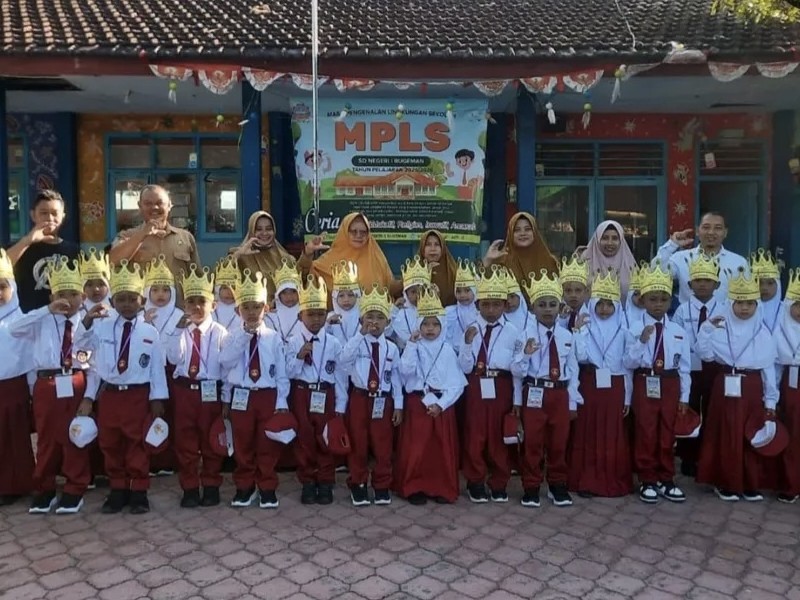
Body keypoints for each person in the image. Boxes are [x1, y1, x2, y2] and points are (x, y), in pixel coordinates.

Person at [77, 260, 168, 515]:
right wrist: (87, 320)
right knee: (110, 443)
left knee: (137, 443)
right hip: (110, 395)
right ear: (112, 300)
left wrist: (157, 399)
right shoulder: (101, 326)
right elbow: (81, 346)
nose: (126, 304)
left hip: (137, 396)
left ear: (142, 300)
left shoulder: (150, 332)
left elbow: (157, 369)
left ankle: (139, 490)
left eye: (132, 299)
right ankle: (117, 488)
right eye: (121, 299)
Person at [10, 257, 92, 514]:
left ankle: (75, 488)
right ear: (52, 296)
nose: (67, 300)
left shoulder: (88, 321)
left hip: (76, 380)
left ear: (82, 296)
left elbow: (96, 360)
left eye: (73, 294)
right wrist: (47, 310)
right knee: (46, 438)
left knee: (75, 435)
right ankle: (44, 487)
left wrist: (89, 396)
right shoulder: (42, 320)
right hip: (47, 383)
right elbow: (14, 329)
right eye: (61, 294)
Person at [696, 269, 778, 502]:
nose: (744, 308)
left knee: (750, 434)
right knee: (726, 434)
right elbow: (706, 355)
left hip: (752, 388)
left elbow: (768, 369)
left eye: (750, 303)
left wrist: (771, 402)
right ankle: (726, 482)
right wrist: (707, 329)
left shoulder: (763, 333)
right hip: (726, 386)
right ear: (731, 303)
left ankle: (750, 483)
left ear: (756, 306)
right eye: (740, 303)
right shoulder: (721, 328)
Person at [220, 270, 290, 509]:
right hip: (242, 395)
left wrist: (281, 403)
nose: (251, 312)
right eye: (246, 307)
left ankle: (267, 486)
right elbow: (225, 363)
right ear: (237, 310)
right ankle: (245, 486)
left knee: (266, 443)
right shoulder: (231, 336)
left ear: (266, 308)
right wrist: (226, 400)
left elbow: (282, 374)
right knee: (243, 443)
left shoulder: (273, 338)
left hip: (267, 395)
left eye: (256, 307)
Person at [512, 270, 582, 508]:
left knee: (558, 442)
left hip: (559, 394)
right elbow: (516, 371)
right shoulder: (525, 336)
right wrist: (525, 354)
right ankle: (531, 486)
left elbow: (573, 370)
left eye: (552, 304)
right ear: (533, 308)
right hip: (535, 392)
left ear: (560, 306)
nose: (548, 310)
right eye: (542, 305)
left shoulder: (566, 336)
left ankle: (557, 485)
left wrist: (572, 402)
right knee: (533, 443)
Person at [623, 262, 691, 504]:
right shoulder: (634, 328)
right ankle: (647, 478)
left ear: (670, 300)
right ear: (643, 300)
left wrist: (684, 397)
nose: (658, 304)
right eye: (653, 299)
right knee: (646, 431)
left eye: (663, 299)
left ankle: (666, 477)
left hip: (670, 383)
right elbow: (628, 363)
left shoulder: (678, 331)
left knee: (667, 432)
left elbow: (684, 367)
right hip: (646, 381)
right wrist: (641, 341)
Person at [395, 286, 466, 505]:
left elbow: (456, 384)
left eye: (435, 324)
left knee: (440, 449)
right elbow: (405, 371)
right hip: (417, 403)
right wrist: (411, 345)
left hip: (441, 406)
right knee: (416, 449)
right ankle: (413, 487)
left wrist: (442, 405)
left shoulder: (447, 350)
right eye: (425, 324)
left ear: (442, 326)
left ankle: (441, 487)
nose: (430, 329)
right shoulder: (414, 346)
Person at [458, 267, 523, 503]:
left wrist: (517, 401)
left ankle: (498, 482)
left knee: (498, 437)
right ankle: (475, 481)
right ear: (478, 305)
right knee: (475, 435)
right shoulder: (471, 329)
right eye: (486, 305)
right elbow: (464, 367)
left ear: (505, 305)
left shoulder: (513, 332)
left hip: (501, 386)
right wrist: (467, 344)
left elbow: (517, 370)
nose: (491, 310)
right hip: (476, 384)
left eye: (496, 305)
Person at [166, 266, 229, 509]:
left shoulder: (220, 333)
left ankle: (211, 485)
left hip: (210, 392)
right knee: (186, 442)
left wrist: (225, 400)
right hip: (185, 391)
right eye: (191, 302)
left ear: (213, 305)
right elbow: (173, 358)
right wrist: (177, 331)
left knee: (211, 440)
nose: (196, 307)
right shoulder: (179, 331)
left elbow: (226, 370)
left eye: (202, 301)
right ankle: (190, 487)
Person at [569, 271, 633, 498]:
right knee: (588, 432)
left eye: (609, 304)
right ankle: (587, 480)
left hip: (614, 387)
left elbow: (627, 367)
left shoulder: (623, 331)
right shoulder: (586, 326)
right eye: (600, 304)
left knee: (611, 433)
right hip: (590, 384)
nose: (604, 309)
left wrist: (627, 398)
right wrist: (577, 332)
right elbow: (579, 357)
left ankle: (611, 480)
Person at [285, 276, 347, 505]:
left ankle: (326, 481)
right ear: (300, 315)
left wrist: (341, 404)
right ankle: (308, 481)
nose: (316, 319)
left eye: (321, 314)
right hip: (302, 393)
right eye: (310, 314)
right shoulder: (293, 341)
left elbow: (340, 376)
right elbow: (288, 372)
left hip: (325, 394)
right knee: (304, 439)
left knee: (325, 438)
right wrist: (299, 356)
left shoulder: (333, 343)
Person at [340, 285, 403, 507]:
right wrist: (360, 334)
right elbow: (344, 360)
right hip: (360, 398)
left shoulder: (392, 348)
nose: (374, 322)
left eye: (379, 317)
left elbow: (396, 378)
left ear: (388, 322)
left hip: (383, 401)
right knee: (359, 442)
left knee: (383, 444)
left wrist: (399, 405)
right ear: (362, 319)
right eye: (369, 317)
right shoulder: (357, 343)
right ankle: (358, 483)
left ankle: (382, 483)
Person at [671, 254, 722, 477]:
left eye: (707, 280)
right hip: (689, 367)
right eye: (698, 280)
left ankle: (707, 456)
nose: (702, 284)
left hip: (713, 367)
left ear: (717, 284)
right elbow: (675, 337)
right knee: (688, 409)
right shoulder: (682, 310)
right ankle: (688, 456)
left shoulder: (724, 309)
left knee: (711, 410)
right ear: (690, 284)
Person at [108, 185, 200, 301]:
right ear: (140, 206)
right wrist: (143, 234)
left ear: (169, 205)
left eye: (159, 203)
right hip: (142, 309)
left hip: (179, 308)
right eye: (148, 203)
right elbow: (112, 261)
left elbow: (197, 276)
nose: (155, 207)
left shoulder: (186, 237)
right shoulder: (127, 236)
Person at [143, 256, 184, 476]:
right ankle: (150, 460)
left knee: (171, 415)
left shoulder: (179, 316)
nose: (161, 295)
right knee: (148, 415)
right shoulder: (140, 316)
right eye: (155, 290)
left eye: (166, 290)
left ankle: (169, 461)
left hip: (171, 374)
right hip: (146, 373)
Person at [0, 250, 35, 506]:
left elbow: (31, 358)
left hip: (14, 387)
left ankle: (16, 485)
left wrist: (33, 390)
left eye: (2, 287)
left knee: (15, 439)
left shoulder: (23, 321)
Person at [8, 189, 80, 312]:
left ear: (62, 216)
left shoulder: (74, 251)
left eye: (55, 213)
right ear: (33, 215)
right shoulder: (21, 247)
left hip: (63, 317)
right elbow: (3, 267)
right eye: (44, 213)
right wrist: (28, 240)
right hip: (29, 318)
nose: (50, 218)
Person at [299, 212, 401, 299]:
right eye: (353, 231)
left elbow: (390, 288)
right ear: (344, 232)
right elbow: (301, 278)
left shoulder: (376, 257)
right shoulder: (328, 259)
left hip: (373, 315)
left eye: (363, 232)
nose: (358, 235)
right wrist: (308, 253)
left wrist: (406, 281)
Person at [654, 212, 748, 304]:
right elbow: (656, 272)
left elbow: (747, 297)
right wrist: (672, 244)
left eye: (718, 228)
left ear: (725, 232)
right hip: (687, 314)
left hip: (725, 314)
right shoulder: (681, 258)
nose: (711, 232)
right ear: (697, 231)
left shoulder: (738, 262)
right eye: (706, 227)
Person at [482, 212, 559, 286]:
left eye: (527, 229)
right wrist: (488, 260)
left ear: (535, 232)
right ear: (511, 234)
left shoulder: (550, 261)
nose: (522, 233)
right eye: (517, 230)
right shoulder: (502, 262)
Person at [230, 211, 293, 301]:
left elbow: (301, 279)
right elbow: (222, 280)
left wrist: (307, 254)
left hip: (280, 308)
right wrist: (239, 254)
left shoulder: (284, 257)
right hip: (252, 308)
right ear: (252, 231)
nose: (264, 233)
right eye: (259, 229)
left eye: (268, 229)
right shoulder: (239, 256)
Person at [777, 269, 800, 503]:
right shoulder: (780, 330)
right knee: (793, 433)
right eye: (797, 305)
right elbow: (774, 365)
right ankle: (791, 484)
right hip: (792, 384)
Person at [579, 220, 637, 301]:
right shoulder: (583, 263)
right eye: (605, 238)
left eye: (615, 238)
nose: (610, 243)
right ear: (597, 239)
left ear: (621, 241)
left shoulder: (629, 264)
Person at [391, 256, 432, 351]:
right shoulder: (401, 313)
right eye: (413, 292)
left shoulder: (433, 312)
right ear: (406, 294)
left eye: (421, 291)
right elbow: (389, 332)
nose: (418, 295)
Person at [266, 258, 302, 344]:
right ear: (278, 295)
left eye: (293, 292)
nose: (289, 297)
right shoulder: (270, 316)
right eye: (284, 293)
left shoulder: (307, 312)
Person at [326, 261, 361, 347]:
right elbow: (322, 337)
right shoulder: (330, 317)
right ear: (335, 298)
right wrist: (327, 324)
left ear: (357, 296)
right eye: (341, 296)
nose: (346, 300)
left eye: (350, 295)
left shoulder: (363, 316)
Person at [445, 259, 479, 349]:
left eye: (467, 290)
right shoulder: (449, 312)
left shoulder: (480, 313)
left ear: (475, 290)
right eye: (458, 291)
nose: (462, 295)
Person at [418, 230, 457, 307]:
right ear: (422, 248)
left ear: (442, 248)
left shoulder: (453, 272)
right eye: (428, 244)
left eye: (437, 244)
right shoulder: (413, 270)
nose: (433, 249)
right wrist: (424, 273)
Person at [750, 249, 782, 335]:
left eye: (770, 283)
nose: (764, 288)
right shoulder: (744, 310)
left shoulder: (788, 311)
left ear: (778, 285)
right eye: (759, 283)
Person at [557, 257, 589, 330]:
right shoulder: (556, 316)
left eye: (578, 290)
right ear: (562, 292)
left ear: (586, 292)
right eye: (568, 290)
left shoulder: (591, 317)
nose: (573, 295)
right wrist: (562, 320)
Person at [78, 248, 112, 315]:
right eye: (90, 285)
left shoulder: (118, 309)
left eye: (101, 284)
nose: (96, 289)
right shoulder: (76, 311)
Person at [212, 257, 241, 332]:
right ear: (218, 290)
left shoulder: (243, 309)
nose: (229, 292)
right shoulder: (211, 308)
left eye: (233, 288)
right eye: (225, 288)